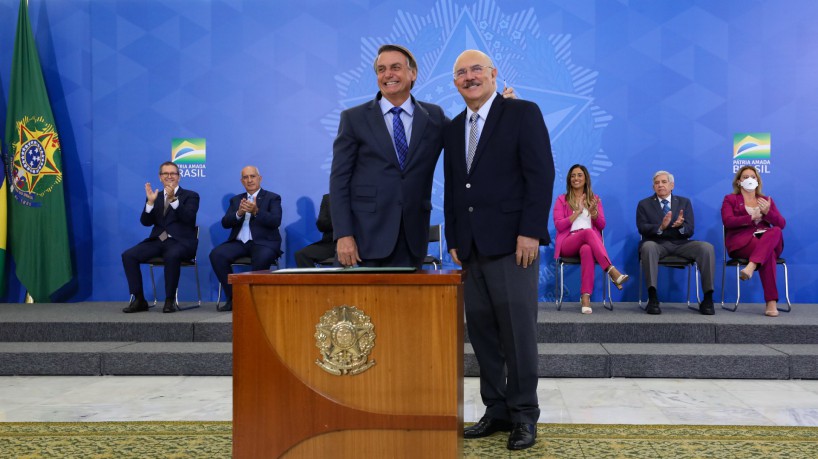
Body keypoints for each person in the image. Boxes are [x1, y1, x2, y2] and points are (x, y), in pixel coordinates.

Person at [443, 49, 554, 451]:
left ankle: (524, 414)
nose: (469, 77)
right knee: (484, 335)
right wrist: (453, 238)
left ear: (493, 74)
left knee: (517, 334)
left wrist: (530, 231)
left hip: (513, 246)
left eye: (476, 70)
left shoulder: (522, 113)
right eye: (461, 73)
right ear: (454, 83)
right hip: (470, 249)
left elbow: (540, 175)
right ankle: (497, 409)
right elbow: (454, 188)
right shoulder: (454, 128)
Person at [121, 161, 199, 313]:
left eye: (173, 173)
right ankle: (139, 299)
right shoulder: (155, 196)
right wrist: (149, 203)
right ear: (160, 177)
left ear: (179, 177)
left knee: (172, 254)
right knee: (128, 255)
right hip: (158, 240)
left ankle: (169, 300)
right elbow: (145, 222)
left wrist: (174, 200)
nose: (169, 176)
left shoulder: (191, 196)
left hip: (181, 242)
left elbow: (189, 219)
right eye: (165, 174)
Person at [636, 170, 716, 315]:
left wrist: (680, 227)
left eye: (664, 182)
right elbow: (642, 228)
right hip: (656, 244)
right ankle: (653, 298)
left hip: (681, 244)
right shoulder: (644, 204)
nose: (660, 185)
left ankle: (708, 299)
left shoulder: (684, 202)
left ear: (672, 185)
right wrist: (660, 227)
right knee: (648, 247)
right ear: (653, 187)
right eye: (657, 183)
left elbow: (690, 229)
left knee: (706, 248)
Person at [553, 164, 629, 314]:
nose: (576, 178)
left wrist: (593, 213)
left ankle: (585, 297)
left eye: (580, 175)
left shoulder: (595, 199)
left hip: (588, 242)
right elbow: (559, 225)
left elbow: (602, 224)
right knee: (588, 232)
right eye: (573, 175)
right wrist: (578, 212)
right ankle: (612, 271)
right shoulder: (562, 199)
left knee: (587, 249)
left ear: (586, 178)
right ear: (569, 179)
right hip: (568, 243)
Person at [209, 166, 282, 312]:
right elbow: (225, 223)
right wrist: (239, 213)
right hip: (239, 243)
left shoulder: (272, 198)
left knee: (262, 257)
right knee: (216, 255)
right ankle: (234, 298)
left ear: (259, 178)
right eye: (246, 177)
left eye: (252, 176)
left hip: (264, 243)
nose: (249, 180)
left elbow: (275, 221)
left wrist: (256, 211)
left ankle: (253, 301)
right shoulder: (236, 200)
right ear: (242, 181)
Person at [721, 166, 786, 317]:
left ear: (758, 180)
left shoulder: (766, 201)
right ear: (739, 182)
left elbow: (781, 224)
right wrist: (750, 218)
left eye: (753, 176)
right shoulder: (730, 199)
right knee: (767, 254)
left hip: (766, 240)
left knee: (775, 231)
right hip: (742, 243)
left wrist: (768, 213)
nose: (750, 179)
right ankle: (771, 302)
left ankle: (751, 266)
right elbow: (728, 221)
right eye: (745, 177)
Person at [294, 193, 335, 267]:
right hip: (331, 243)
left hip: (356, 242)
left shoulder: (356, 197)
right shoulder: (328, 198)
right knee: (301, 254)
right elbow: (321, 226)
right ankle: (312, 279)